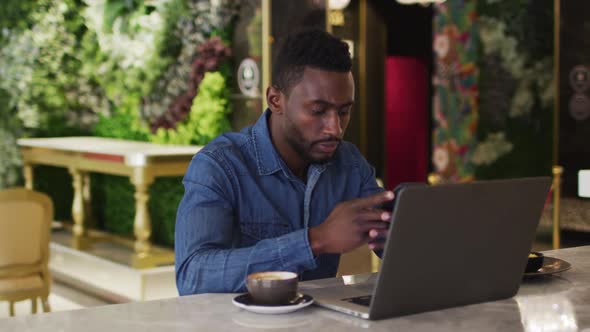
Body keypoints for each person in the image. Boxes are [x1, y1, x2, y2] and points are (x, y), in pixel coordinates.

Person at [175, 29, 394, 295]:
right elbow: (192, 276)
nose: (334, 128)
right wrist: (316, 240)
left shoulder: (349, 164)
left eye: (344, 111)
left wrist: (403, 233)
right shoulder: (219, 165)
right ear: (275, 100)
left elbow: (394, 242)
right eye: (318, 111)